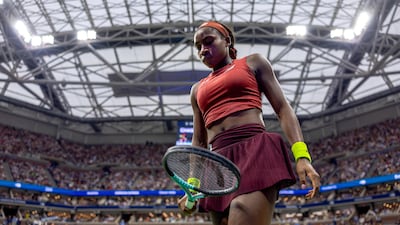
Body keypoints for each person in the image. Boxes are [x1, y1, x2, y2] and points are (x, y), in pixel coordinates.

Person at [178, 21, 321, 225]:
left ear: (227, 41)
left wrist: (302, 155)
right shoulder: (196, 89)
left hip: (255, 150)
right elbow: (199, 141)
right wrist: (192, 186)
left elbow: (283, 109)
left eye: (209, 42)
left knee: (241, 212)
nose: (203, 50)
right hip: (218, 164)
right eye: (198, 47)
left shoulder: (253, 62)